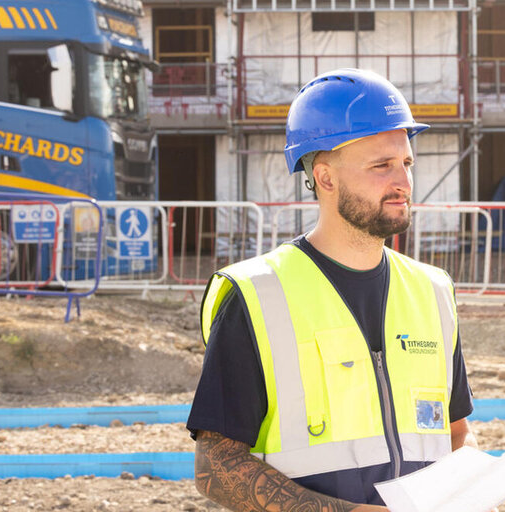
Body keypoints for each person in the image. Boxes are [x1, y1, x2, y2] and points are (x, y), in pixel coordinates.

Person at [187, 68, 478, 511]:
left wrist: (476, 494)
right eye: (381, 166)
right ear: (324, 178)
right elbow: (216, 466)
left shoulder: (432, 290)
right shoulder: (256, 295)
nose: (402, 181)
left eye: (406, 163)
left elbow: (456, 434)